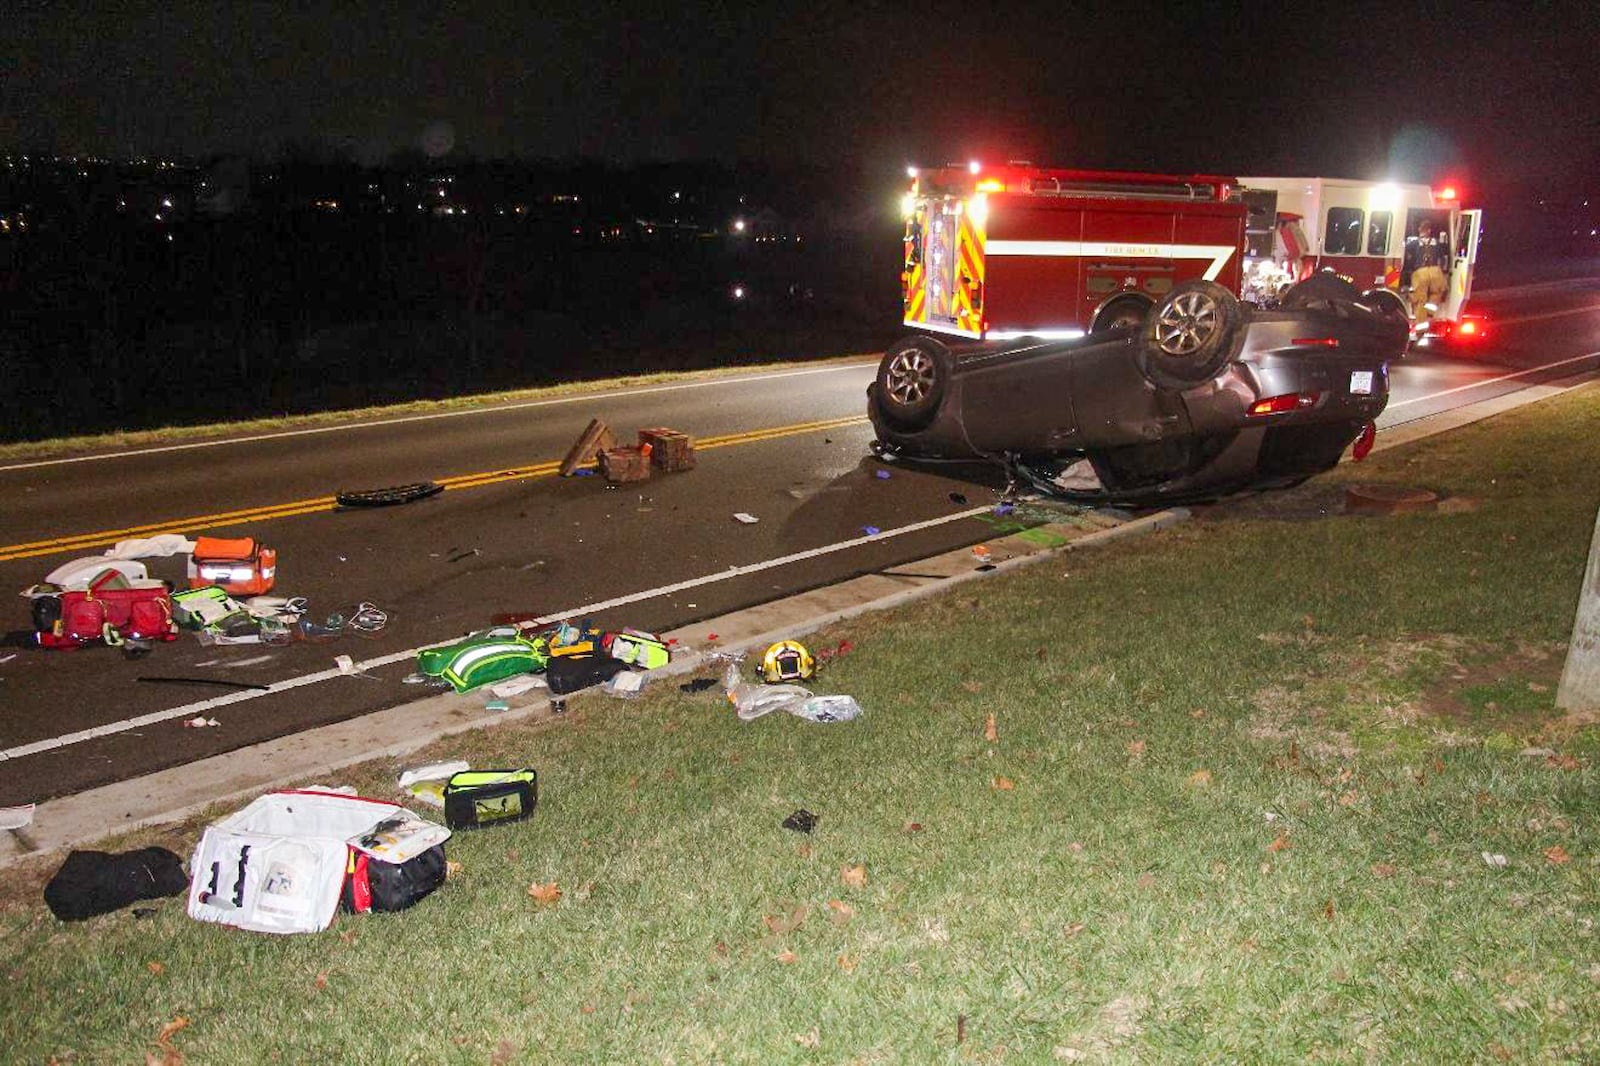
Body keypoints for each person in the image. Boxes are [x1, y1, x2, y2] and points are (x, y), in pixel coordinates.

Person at [1408, 220, 1448, 320]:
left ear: (1419, 230)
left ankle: (1421, 326)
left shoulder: (1414, 243)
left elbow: (1408, 255)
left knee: (1421, 300)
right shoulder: (1437, 242)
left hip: (1420, 272)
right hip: (1435, 271)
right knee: (1437, 292)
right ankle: (1430, 312)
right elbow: (1443, 255)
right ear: (1429, 231)